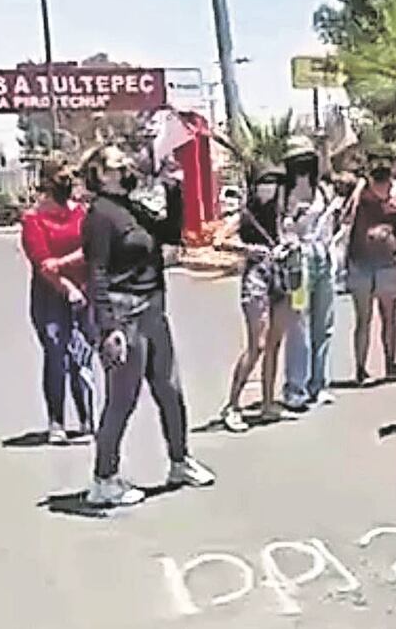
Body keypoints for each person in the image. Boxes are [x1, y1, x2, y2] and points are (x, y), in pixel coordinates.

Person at [82, 144, 214, 507]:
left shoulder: (132, 207)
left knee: (170, 389)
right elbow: (97, 273)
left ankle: (180, 461)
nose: (126, 167)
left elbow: (170, 233)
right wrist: (109, 327)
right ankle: (104, 479)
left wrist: (174, 188)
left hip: (153, 308)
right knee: (122, 400)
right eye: (117, 164)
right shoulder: (100, 215)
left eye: (125, 162)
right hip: (124, 313)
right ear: (100, 174)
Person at [20, 154, 95, 444]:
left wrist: (63, 265)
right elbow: (42, 263)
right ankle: (57, 422)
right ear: (48, 183)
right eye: (62, 179)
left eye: (70, 179)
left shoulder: (81, 213)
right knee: (56, 355)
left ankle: (88, 420)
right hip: (49, 297)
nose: (68, 184)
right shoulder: (33, 219)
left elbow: (91, 248)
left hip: (84, 292)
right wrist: (67, 287)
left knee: (82, 357)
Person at [213, 165, 294, 431]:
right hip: (257, 278)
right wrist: (248, 250)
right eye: (265, 182)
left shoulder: (280, 213)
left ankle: (268, 402)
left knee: (274, 343)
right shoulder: (246, 215)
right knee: (256, 344)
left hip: (281, 277)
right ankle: (232, 404)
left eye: (274, 182)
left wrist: (289, 245)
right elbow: (218, 240)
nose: (270, 187)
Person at [342, 147, 396, 385]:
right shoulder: (359, 191)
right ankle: (360, 369)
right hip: (360, 262)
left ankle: (391, 364)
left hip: (389, 264)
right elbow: (344, 214)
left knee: (389, 317)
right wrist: (358, 188)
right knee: (363, 319)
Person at [280, 136, 338, 411]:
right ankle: (296, 387)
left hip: (323, 259)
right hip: (298, 261)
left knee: (324, 324)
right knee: (298, 324)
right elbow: (282, 228)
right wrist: (294, 215)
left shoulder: (323, 190)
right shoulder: (284, 193)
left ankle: (319, 383)